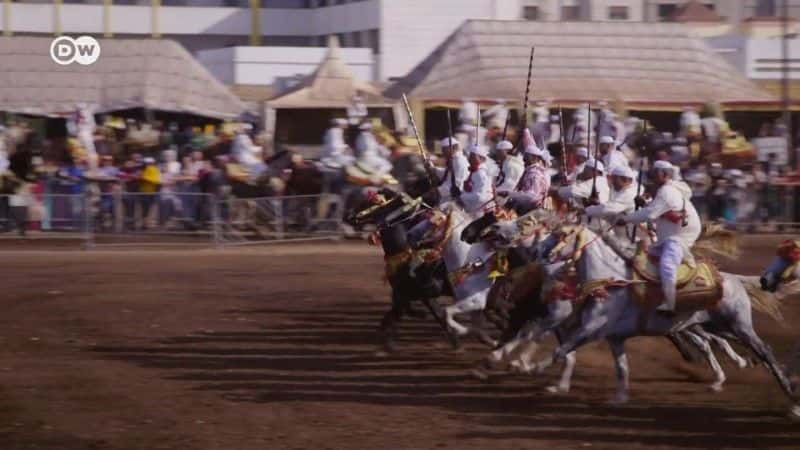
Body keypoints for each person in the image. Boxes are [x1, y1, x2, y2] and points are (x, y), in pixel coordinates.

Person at [617, 160, 702, 314]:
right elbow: (656, 209)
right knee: (641, 259)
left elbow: (651, 214)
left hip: (678, 236)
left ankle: (670, 304)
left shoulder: (667, 191)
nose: (651, 178)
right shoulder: (665, 190)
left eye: (654, 174)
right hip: (668, 236)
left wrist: (626, 219)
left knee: (667, 265)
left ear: (664, 174)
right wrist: (644, 204)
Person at [585, 165, 637, 239]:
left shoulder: (629, 193)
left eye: (614, 179)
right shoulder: (618, 190)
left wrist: (586, 210)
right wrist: (597, 204)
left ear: (624, 179)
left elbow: (608, 208)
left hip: (630, 233)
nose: (612, 181)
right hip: (617, 228)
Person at [500, 143, 550, 214]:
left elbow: (531, 197)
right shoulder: (531, 171)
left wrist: (510, 194)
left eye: (527, 156)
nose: (523, 159)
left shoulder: (535, 174)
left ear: (534, 157)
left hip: (531, 211)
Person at [459, 144, 494, 217]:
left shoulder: (481, 174)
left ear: (482, 159)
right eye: (470, 156)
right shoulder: (474, 172)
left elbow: (481, 197)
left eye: (473, 157)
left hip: (480, 212)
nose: (469, 159)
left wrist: (462, 197)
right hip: (471, 209)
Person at [435, 137, 469, 204]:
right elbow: (447, 175)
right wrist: (433, 169)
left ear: (453, 148)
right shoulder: (453, 160)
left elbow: (456, 184)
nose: (442, 152)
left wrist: (438, 191)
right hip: (445, 197)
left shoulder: (460, 162)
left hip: (453, 199)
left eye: (444, 150)